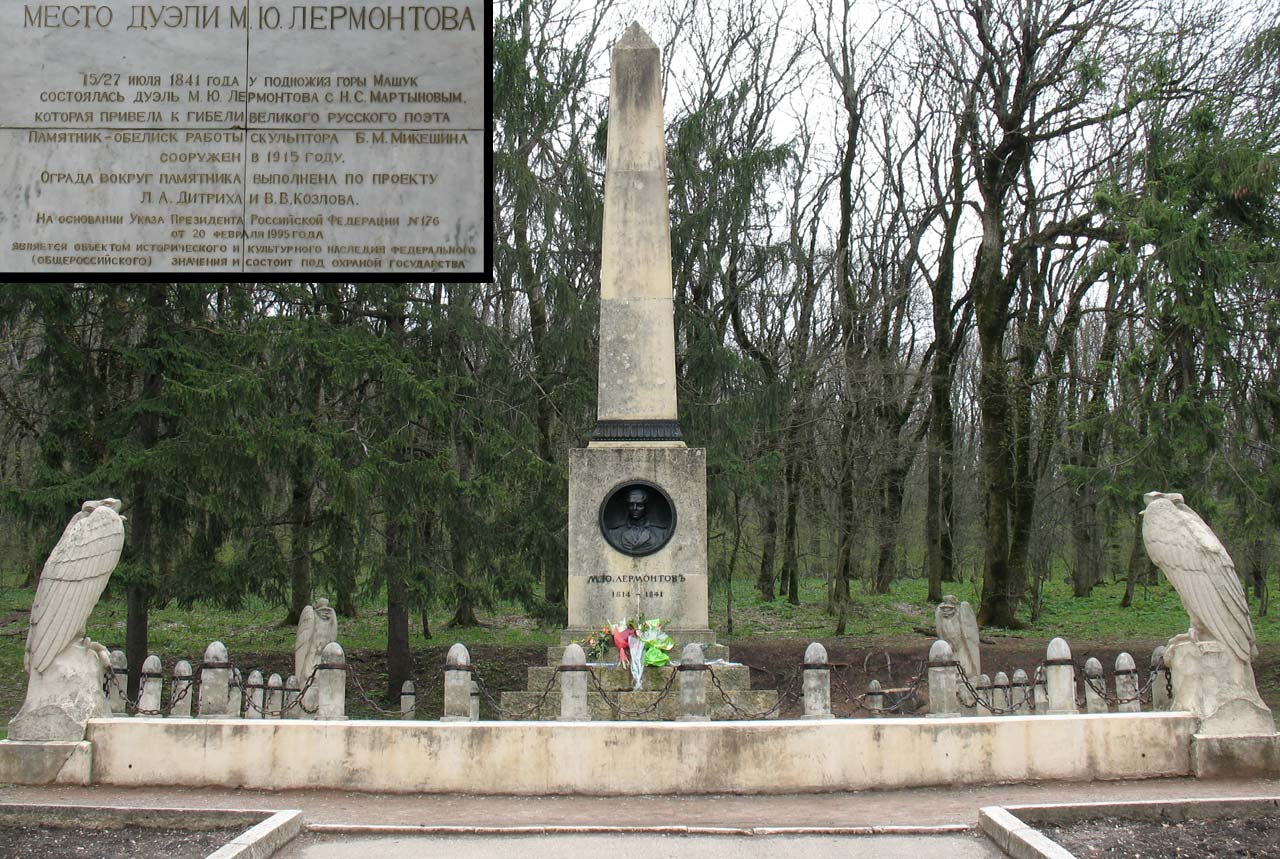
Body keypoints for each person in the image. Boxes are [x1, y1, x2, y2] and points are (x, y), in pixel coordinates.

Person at [609, 487, 667, 553]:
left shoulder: (661, 534)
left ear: (646, 507)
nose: (635, 508)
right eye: (631, 505)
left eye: (639, 505)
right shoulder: (614, 534)